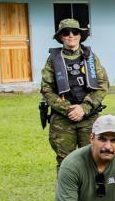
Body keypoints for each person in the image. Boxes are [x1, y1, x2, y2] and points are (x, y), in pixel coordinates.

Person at [41, 18, 109, 167]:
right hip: (63, 119)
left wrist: (84, 108)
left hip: (89, 117)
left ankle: (92, 191)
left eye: (75, 32)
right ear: (61, 37)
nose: (71, 35)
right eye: (66, 33)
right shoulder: (53, 60)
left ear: (80, 35)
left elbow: (103, 84)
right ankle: (68, 191)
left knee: (94, 159)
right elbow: (46, 88)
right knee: (65, 163)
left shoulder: (91, 58)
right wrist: (68, 109)